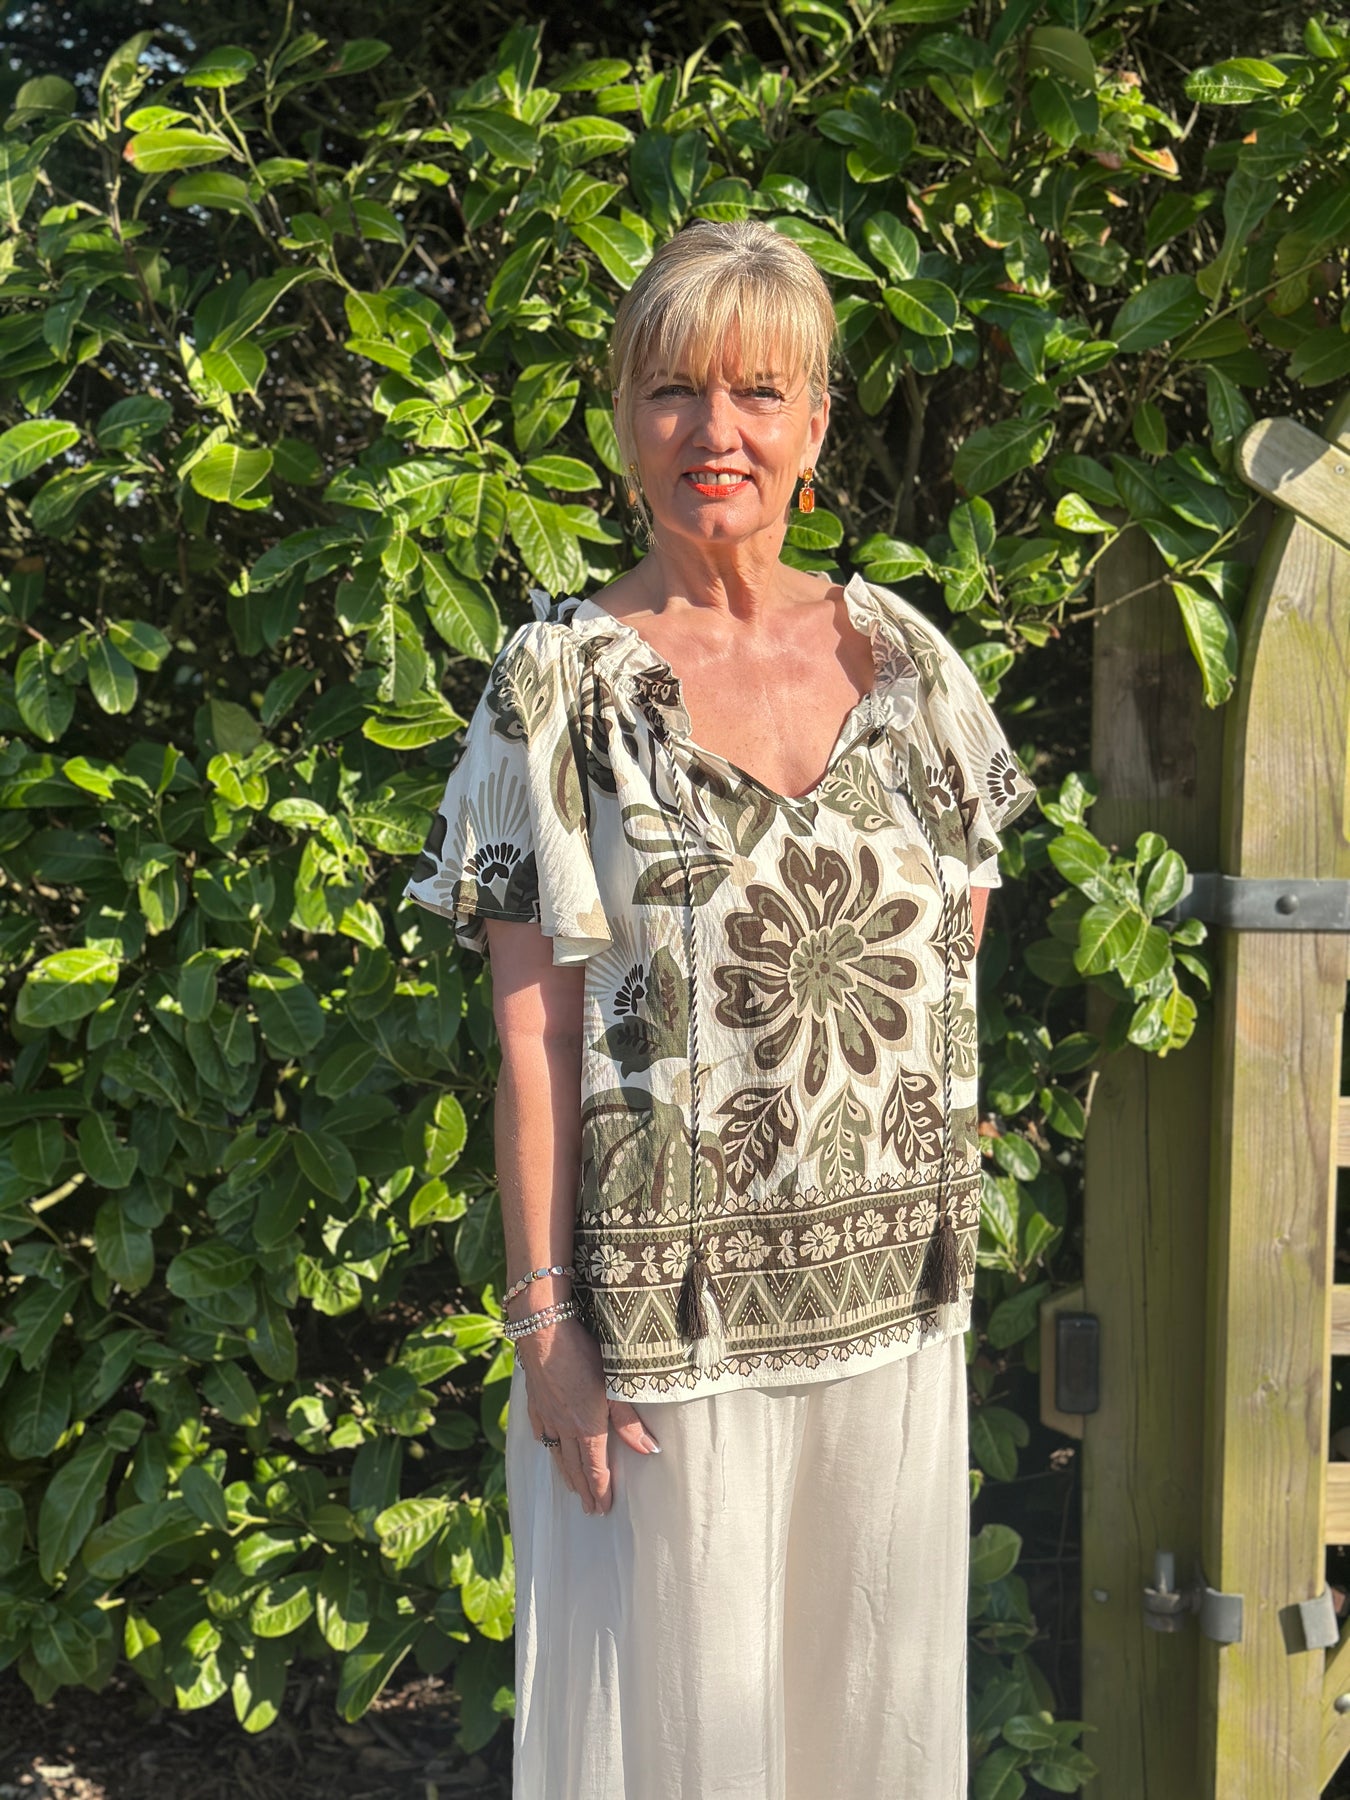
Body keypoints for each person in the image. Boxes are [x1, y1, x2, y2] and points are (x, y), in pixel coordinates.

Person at [404, 220, 1036, 1800]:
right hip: (662, 1346)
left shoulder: (910, 665)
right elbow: (536, 1036)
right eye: (673, 390)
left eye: (758, 392)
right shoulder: (557, 685)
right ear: (623, 421)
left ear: (814, 424)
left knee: (863, 1732)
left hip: (890, 1328)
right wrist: (546, 1332)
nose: (716, 431)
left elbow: (953, 965)